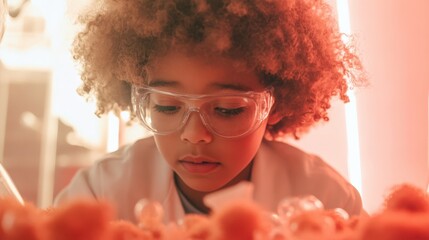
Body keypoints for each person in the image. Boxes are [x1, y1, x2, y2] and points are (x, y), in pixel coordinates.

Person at [54, 0, 368, 223]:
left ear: (277, 103)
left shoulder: (329, 201)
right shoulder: (100, 195)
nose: (195, 135)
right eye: (167, 106)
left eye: (226, 109)